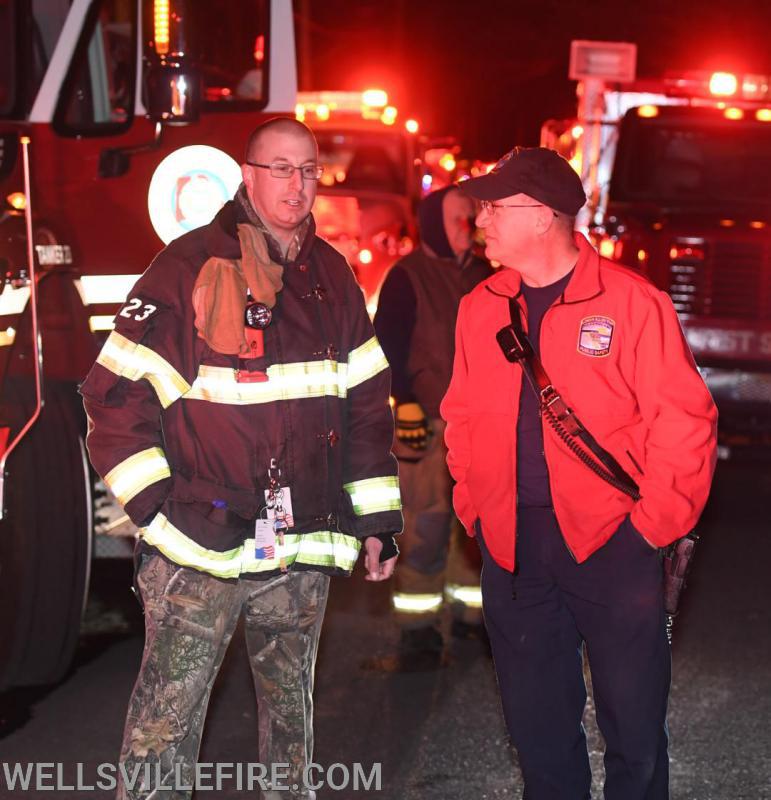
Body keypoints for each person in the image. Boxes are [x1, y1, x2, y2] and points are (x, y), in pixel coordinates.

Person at [80, 118, 402, 800]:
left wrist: (376, 519)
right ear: (247, 176)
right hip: (202, 543)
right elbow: (113, 394)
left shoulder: (331, 276)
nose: (296, 185)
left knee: (292, 733)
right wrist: (159, 513)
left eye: (309, 170)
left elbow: (367, 403)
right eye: (280, 169)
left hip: (300, 543)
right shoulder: (188, 265)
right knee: (163, 732)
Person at [440, 146, 717, 799]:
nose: (479, 220)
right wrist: (473, 506)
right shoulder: (479, 307)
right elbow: (459, 416)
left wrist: (649, 528)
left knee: (634, 732)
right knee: (537, 732)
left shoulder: (630, 303)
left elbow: (685, 421)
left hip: (613, 545)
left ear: (540, 217)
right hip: (512, 550)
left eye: (493, 208)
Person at [372, 186, 491, 670]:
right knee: (425, 526)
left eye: (472, 218)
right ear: (436, 224)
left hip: (480, 426)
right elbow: (387, 348)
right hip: (430, 423)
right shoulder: (408, 278)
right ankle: (418, 634)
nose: (472, 227)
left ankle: (473, 618)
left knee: (478, 528)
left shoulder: (486, 277)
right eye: (461, 218)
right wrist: (406, 404)